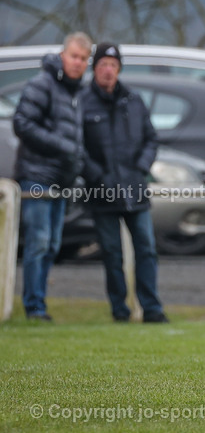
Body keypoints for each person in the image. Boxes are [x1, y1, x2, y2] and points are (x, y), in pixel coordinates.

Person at [81, 43, 169, 323]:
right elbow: (77, 148)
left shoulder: (133, 99)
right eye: (103, 65)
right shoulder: (82, 101)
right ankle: (119, 309)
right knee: (111, 253)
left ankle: (151, 308)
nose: (108, 71)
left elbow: (151, 139)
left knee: (147, 249)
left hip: (135, 189)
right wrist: (97, 176)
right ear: (95, 68)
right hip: (102, 192)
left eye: (113, 65)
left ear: (119, 69)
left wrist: (141, 168)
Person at [13, 32, 91, 321]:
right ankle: (34, 307)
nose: (78, 62)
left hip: (62, 181)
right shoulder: (42, 84)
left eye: (83, 58)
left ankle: (39, 303)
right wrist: (62, 146)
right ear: (62, 56)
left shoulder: (76, 92)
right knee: (39, 242)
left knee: (53, 245)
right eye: (74, 56)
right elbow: (22, 123)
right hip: (37, 176)